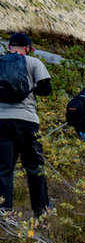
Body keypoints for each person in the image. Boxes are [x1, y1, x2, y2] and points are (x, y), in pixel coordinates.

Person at [0, 33, 52, 217]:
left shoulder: (0, 63)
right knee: (34, 167)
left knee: (4, 169)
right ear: (28, 48)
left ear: (8, 46)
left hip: (2, 121)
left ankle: (4, 215)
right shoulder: (33, 62)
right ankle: (41, 212)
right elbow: (46, 89)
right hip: (27, 121)